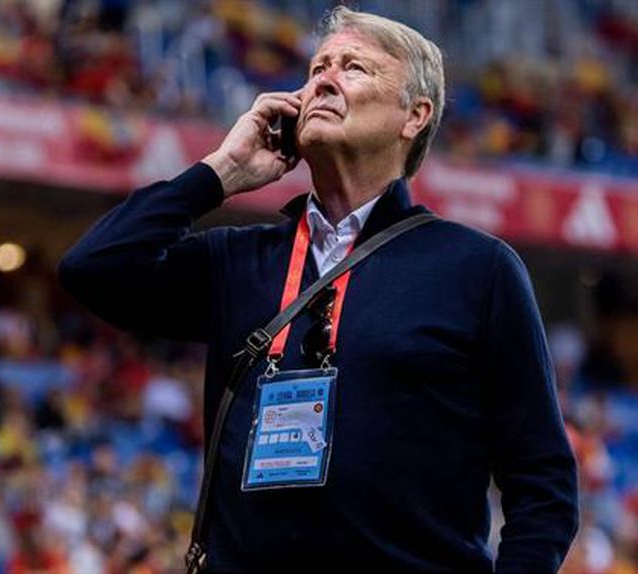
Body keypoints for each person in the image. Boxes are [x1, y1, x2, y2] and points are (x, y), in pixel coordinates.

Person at [59, 6, 578, 572]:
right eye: (316, 69)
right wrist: (221, 172)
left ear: (414, 115)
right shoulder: (238, 260)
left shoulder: (476, 269)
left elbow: (543, 484)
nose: (324, 81)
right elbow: (93, 268)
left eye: (353, 67)